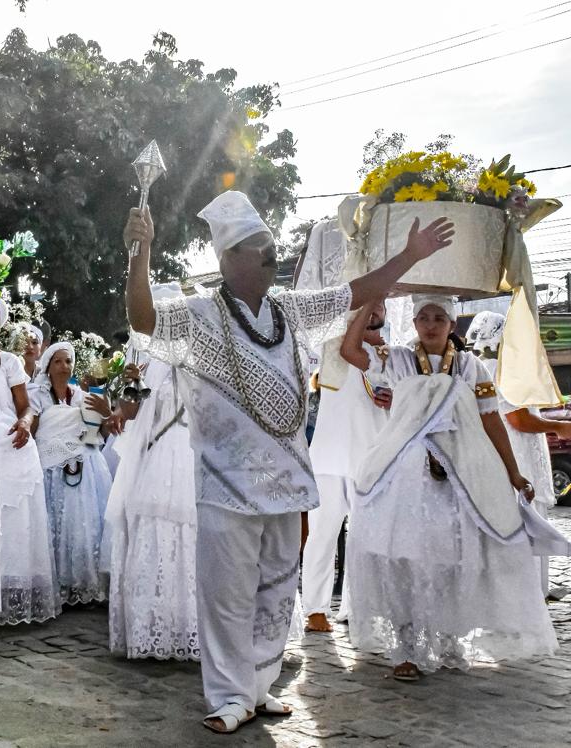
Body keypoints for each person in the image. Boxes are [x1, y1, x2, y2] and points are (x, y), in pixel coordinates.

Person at [123, 190, 455, 734]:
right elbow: (142, 318)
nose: (271, 253)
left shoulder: (289, 309)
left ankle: (259, 685)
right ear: (228, 261)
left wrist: (411, 255)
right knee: (227, 596)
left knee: (278, 589)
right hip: (225, 485)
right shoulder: (200, 316)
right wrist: (141, 253)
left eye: (271, 243)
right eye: (259, 247)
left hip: (287, 480)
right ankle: (229, 696)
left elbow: (356, 292)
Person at [341, 296, 557, 682]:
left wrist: (512, 472)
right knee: (405, 558)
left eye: (439, 317)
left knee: (452, 560)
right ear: (415, 323)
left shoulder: (471, 367)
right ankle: (405, 649)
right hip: (404, 477)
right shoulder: (399, 359)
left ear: (452, 325)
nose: (430, 324)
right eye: (423, 317)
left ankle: (447, 639)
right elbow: (350, 350)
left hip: (460, 477)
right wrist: (369, 305)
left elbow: (491, 422)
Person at [105, 283, 199, 661]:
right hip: (159, 459)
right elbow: (129, 416)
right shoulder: (144, 363)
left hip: (195, 458)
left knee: (194, 542)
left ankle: (193, 627)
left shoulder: (200, 357)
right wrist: (129, 385)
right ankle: (153, 629)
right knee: (156, 538)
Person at [0, 299, 61, 626]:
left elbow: (25, 407)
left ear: (0, 323)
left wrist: (24, 424)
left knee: (14, 520)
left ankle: (10, 595)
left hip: (8, 439)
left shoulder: (8, 361)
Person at [301, 302, 390, 632]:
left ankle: (358, 607)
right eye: (368, 303)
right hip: (328, 456)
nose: (373, 310)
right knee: (322, 536)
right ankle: (314, 609)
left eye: (379, 305)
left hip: (372, 459)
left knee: (366, 539)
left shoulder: (393, 356)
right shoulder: (332, 346)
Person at [469, 310, 569, 600]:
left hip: (505, 452)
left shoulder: (481, 365)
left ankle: (526, 593)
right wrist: (558, 427)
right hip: (516, 452)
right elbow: (518, 419)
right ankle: (527, 595)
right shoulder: (501, 368)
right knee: (527, 521)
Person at [31, 342, 113, 606]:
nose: (64, 366)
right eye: (58, 361)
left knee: (81, 524)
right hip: (51, 465)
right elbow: (34, 430)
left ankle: (82, 585)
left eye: (68, 361)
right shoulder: (38, 394)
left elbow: (99, 434)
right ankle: (58, 585)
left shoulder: (82, 396)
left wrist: (104, 413)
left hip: (84, 466)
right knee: (56, 523)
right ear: (48, 366)